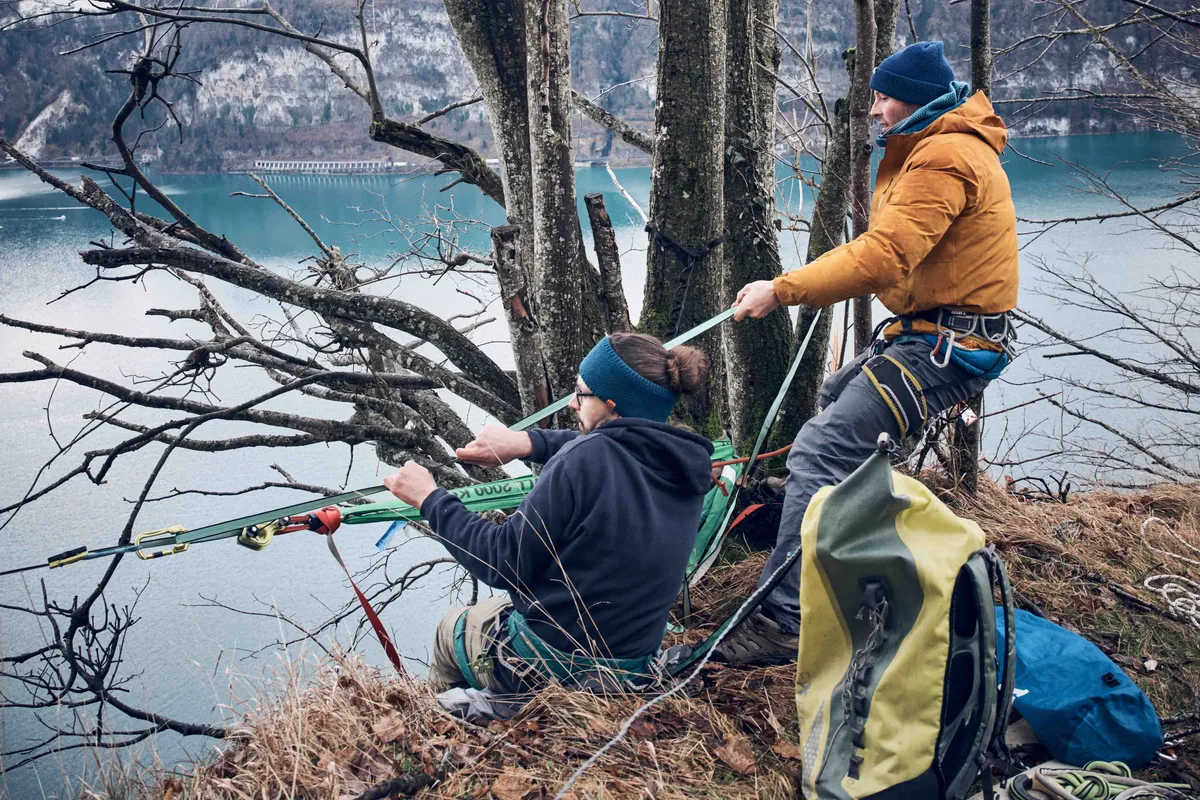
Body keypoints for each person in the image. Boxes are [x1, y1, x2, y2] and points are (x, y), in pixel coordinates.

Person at [717, 40, 1020, 664]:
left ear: (913, 98)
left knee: (821, 449)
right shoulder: (936, 145)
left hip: (950, 345)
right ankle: (830, 532)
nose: (875, 109)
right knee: (835, 401)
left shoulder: (945, 155)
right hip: (932, 335)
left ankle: (784, 619)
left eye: (883, 98)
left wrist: (783, 289)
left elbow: (884, 255)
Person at [383, 333, 714, 692]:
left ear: (612, 403)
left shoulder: (582, 461)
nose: (572, 403)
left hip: (556, 666)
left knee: (453, 629)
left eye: (581, 393)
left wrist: (430, 499)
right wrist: (528, 443)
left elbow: (501, 561)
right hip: (631, 666)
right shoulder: (685, 467)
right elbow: (615, 446)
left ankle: (443, 718)